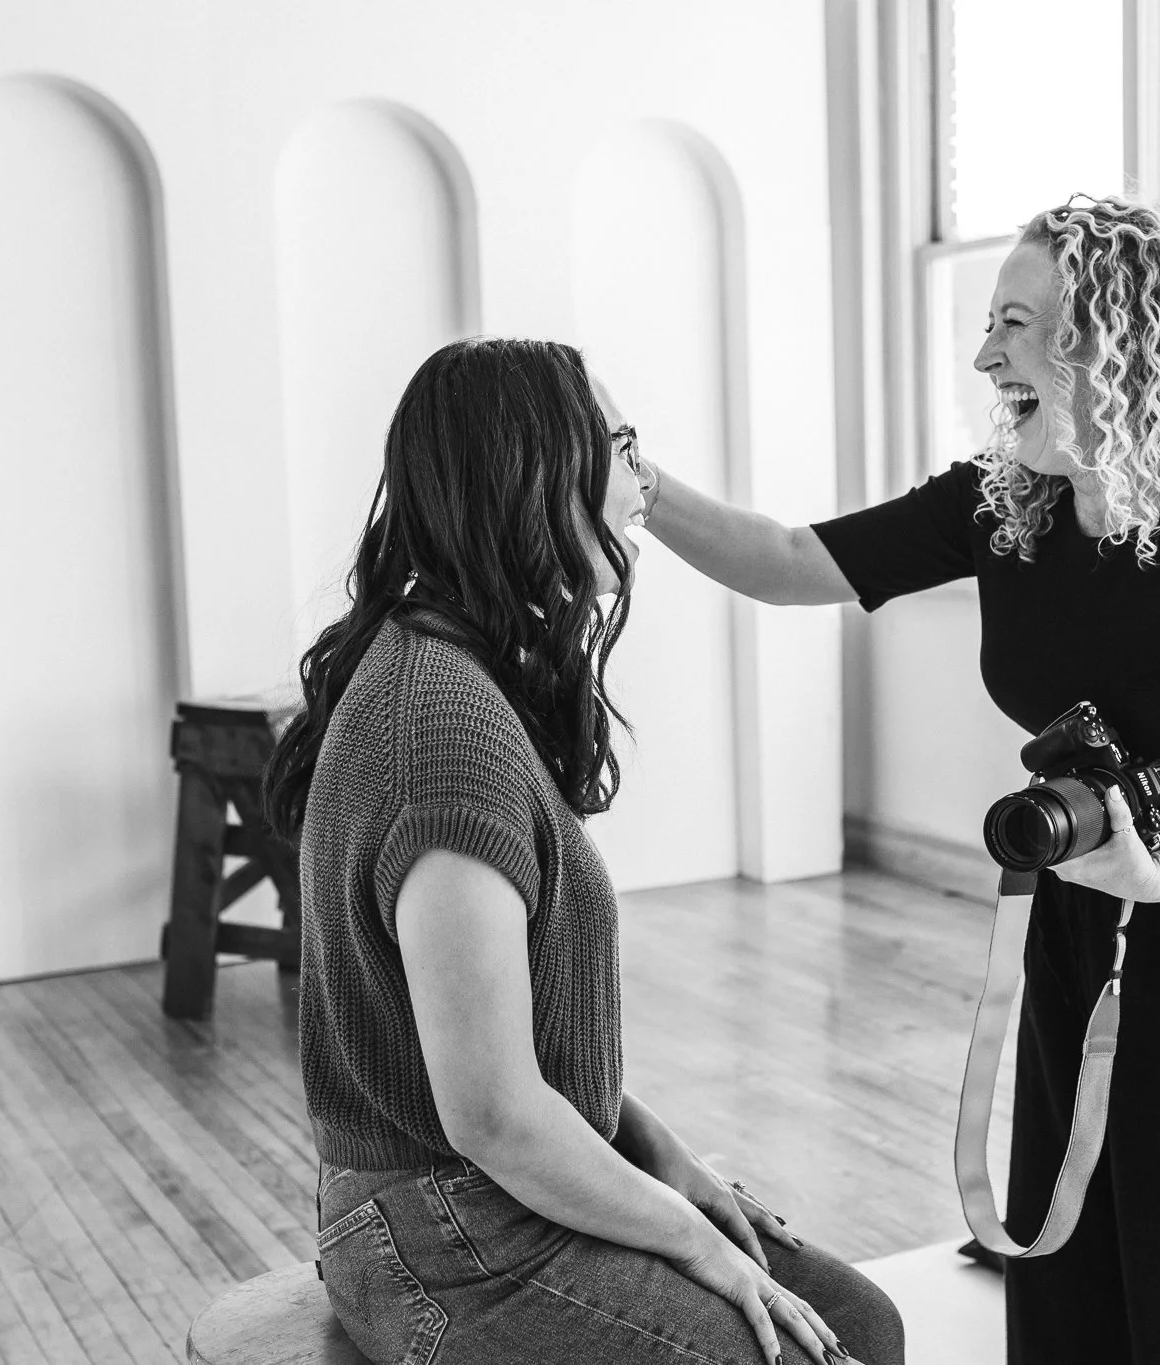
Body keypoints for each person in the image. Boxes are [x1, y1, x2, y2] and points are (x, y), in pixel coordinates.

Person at [637, 196, 1160, 1364]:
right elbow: (782, 564)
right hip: (1076, 928)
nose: (986, 357)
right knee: (1068, 1277)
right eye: (990, 326)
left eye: (1016, 326)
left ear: (1111, 343)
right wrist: (631, 476)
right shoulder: (1006, 509)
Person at [262, 337, 903, 1365]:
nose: (641, 478)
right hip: (440, 1238)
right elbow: (492, 1116)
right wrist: (693, 1241)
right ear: (533, 476)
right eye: (618, 445)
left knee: (860, 1327)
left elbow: (517, 1057)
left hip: (488, 1195)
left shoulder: (465, 664)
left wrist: (665, 1159)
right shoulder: (439, 731)